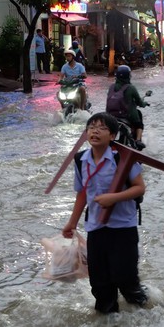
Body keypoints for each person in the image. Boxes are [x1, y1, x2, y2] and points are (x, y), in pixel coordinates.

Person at [62, 112, 148, 314]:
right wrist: (72, 223)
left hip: (123, 227)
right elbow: (82, 193)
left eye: (101, 128)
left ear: (112, 136)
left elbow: (139, 188)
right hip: (96, 227)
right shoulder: (81, 160)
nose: (95, 131)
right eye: (91, 127)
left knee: (126, 278)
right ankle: (108, 323)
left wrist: (114, 198)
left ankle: (143, 312)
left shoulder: (123, 158)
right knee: (100, 283)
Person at [106, 65, 148, 149]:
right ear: (128, 76)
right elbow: (139, 102)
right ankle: (138, 140)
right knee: (139, 122)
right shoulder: (131, 88)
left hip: (109, 115)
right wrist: (144, 103)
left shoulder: (111, 87)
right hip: (126, 116)